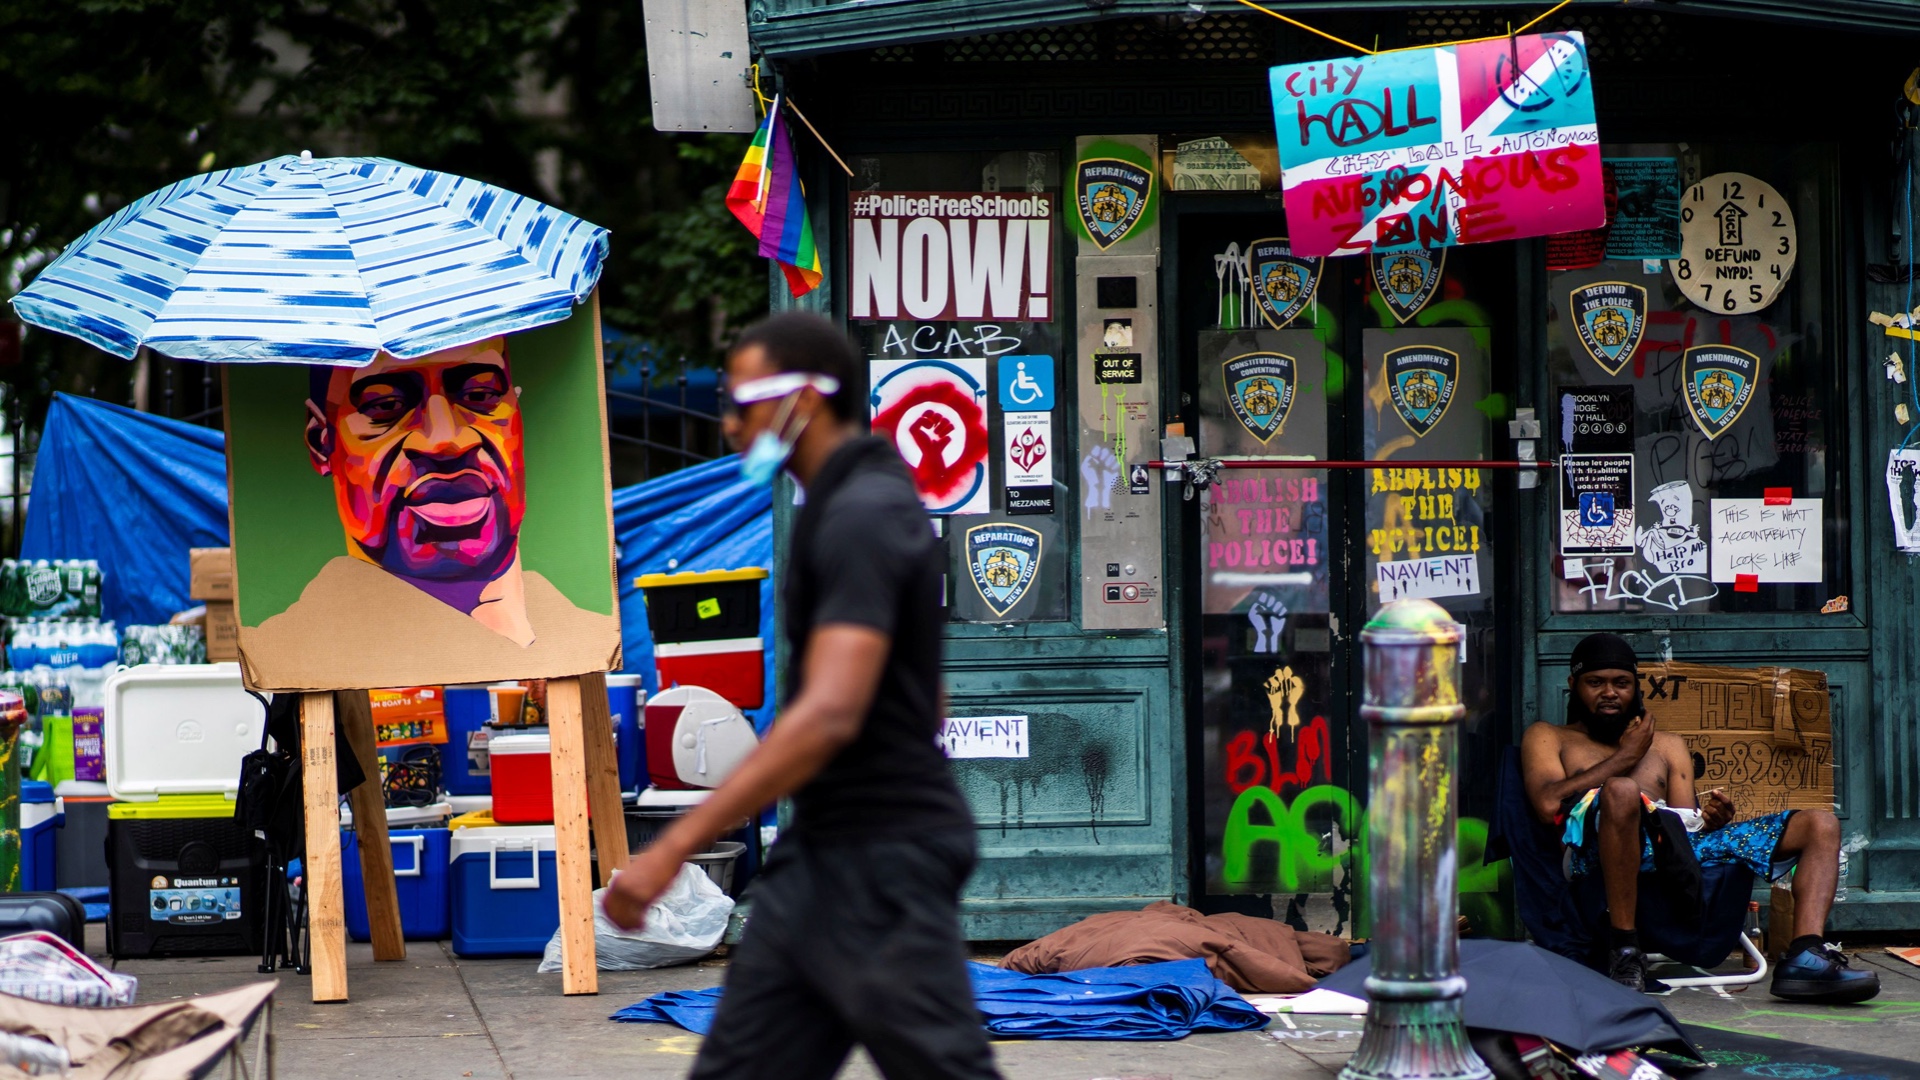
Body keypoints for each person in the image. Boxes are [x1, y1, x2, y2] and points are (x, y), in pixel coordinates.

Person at [603, 312, 1000, 1080]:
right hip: (824, 857)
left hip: (879, 860)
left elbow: (829, 710)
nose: (728, 426)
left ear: (804, 402)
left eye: (744, 405)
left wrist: (672, 850)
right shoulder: (850, 505)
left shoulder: (862, 516)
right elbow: (927, 694)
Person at [1521, 633, 1877, 1002]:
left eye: (1621, 683)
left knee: (1820, 824)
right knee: (1622, 790)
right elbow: (1548, 805)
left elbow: (1686, 826)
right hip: (1596, 851)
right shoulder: (1549, 736)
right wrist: (1625, 758)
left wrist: (1713, 820)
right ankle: (1625, 949)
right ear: (1573, 686)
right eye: (1595, 683)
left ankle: (1805, 956)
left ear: (1635, 687)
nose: (1609, 692)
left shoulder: (1668, 744)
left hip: (1671, 850)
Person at [247, 338, 618, 684]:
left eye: (480, 395)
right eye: (385, 406)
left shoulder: (582, 643)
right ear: (321, 444)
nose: (445, 441)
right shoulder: (290, 658)